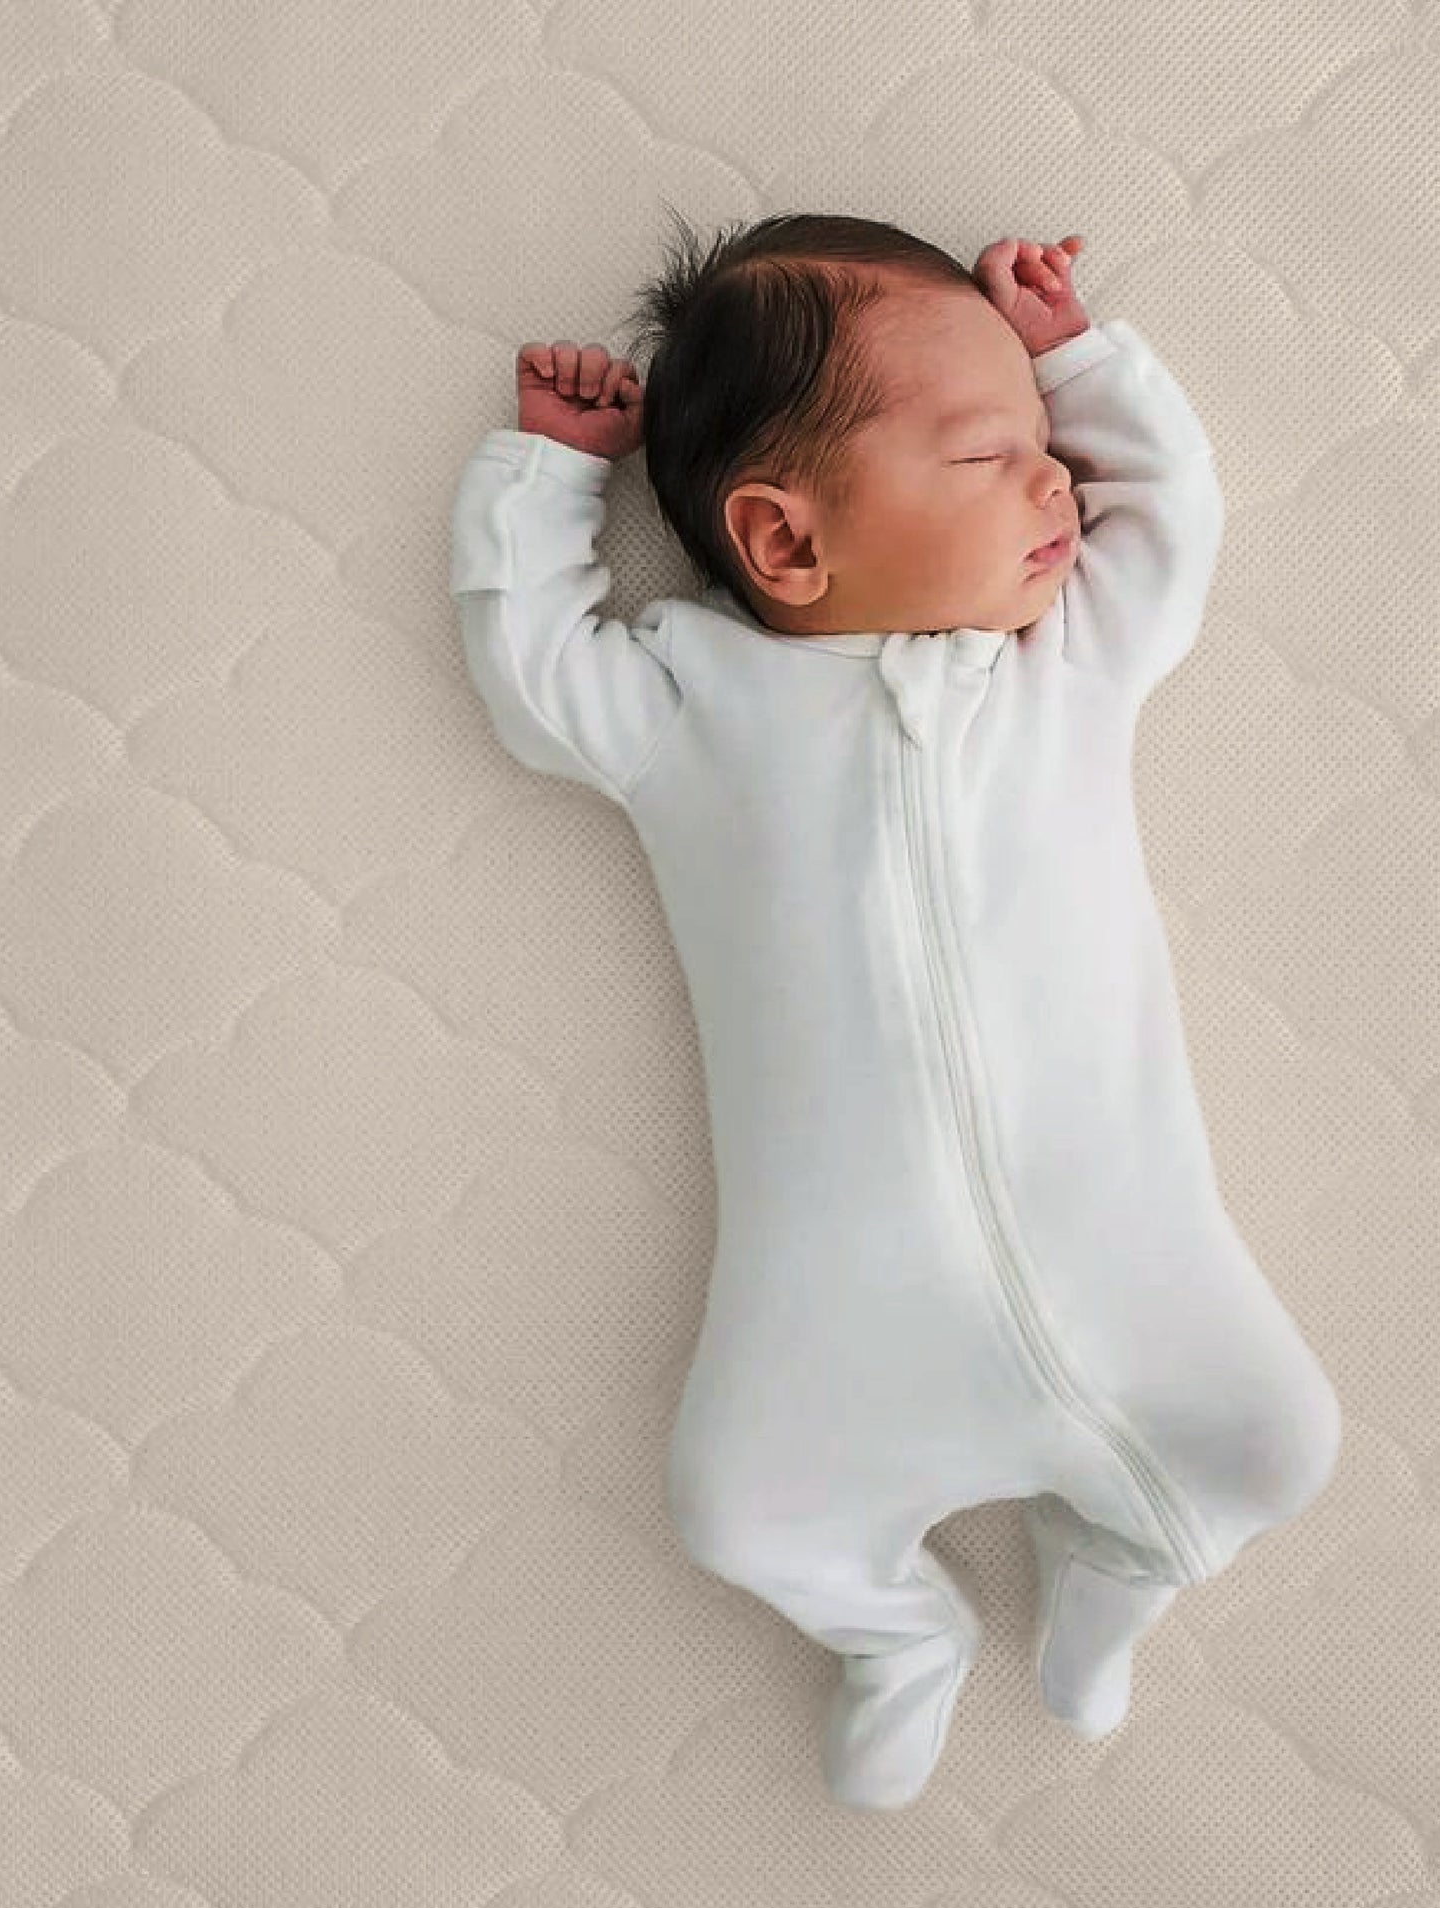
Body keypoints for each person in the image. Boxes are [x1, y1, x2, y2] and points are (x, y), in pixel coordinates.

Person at [447, 209, 1343, 1811]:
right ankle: (894, 1628)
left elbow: (1174, 518)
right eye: (991, 450)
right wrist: (545, 476)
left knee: (1281, 1440)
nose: (1055, 475)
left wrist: (1076, 354)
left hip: (1120, 1244)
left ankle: (1115, 1553)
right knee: (733, 1504)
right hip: (841, 1298)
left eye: (1049, 441)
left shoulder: (1061, 669)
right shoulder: (689, 707)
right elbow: (533, 676)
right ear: (784, 543)